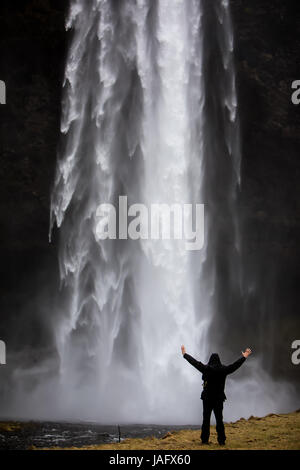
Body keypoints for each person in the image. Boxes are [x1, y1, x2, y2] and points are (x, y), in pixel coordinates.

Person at [181, 345, 252, 445]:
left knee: (206, 419)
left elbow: (195, 363)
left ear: (210, 360)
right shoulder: (224, 370)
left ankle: (204, 440)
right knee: (219, 420)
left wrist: (185, 354)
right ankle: (221, 441)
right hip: (218, 399)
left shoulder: (206, 369)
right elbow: (235, 365)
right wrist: (244, 356)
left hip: (207, 398)